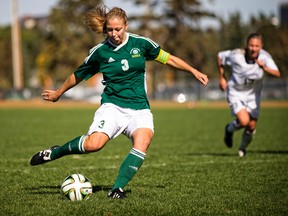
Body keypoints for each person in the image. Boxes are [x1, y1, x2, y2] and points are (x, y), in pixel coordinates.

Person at [30, 5, 209, 199]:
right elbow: (78, 75)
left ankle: (117, 189)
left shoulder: (141, 44)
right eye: (110, 30)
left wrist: (193, 70)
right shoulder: (100, 52)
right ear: (105, 29)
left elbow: (168, 59)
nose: (114, 34)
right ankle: (56, 152)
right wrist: (58, 93)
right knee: (94, 145)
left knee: (143, 141)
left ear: (126, 26)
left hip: (140, 108)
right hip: (112, 107)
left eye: (118, 29)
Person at [217, 32, 280, 157]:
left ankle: (242, 149)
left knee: (251, 126)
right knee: (244, 120)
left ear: (261, 46)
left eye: (257, 46)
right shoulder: (236, 55)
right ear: (247, 45)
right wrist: (222, 77)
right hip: (236, 92)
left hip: (253, 95)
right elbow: (220, 56)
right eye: (251, 45)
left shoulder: (265, 58)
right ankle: (228, 130)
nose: (253, 48)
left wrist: (264, 67)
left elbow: (277, 73)